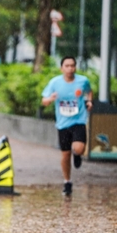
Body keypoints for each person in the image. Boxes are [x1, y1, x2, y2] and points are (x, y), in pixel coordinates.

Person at [41, 56, 93, 197]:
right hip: (63, 123)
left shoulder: (82, 81)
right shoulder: (55, 83)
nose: (70, 68)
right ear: (62, 68)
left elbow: (89, 91)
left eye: (72, 65)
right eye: (67, 66)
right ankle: (67, 182)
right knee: (65, 154)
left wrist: (89, 101)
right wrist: (50, 99)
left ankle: (77, 154)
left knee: (79, 148)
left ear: (75, 67)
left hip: (79, 120)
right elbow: (44, 100)